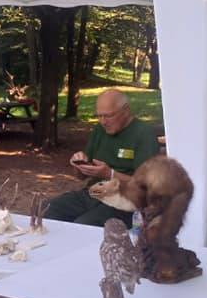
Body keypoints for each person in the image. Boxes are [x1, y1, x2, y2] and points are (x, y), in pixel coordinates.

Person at [44, 89, 159, 227]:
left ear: (126, 110)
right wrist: (79, 165)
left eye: (108, 116)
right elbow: (80, 177)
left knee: (84, 225)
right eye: (99, 116)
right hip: (94, 194)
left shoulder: (144, 134)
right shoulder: (100, 130)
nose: (103, 121)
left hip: (125, 201)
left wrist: (110, 174)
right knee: (47, 210)